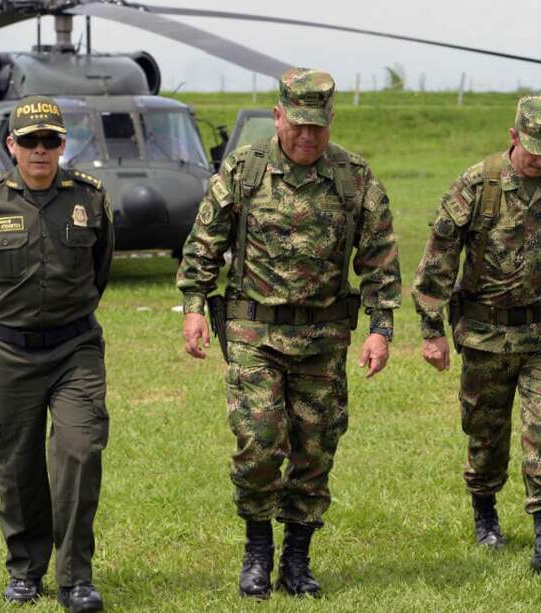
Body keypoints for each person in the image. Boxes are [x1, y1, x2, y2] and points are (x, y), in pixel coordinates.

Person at [177, 68, 401, 600]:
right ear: (278, 116)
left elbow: (380, 261)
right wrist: (193, 307)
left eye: (318, 128)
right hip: (255, 332)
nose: (307, 137)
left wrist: (381, 329)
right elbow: (203, 244)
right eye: (298, 125)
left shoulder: (354, 177)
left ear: (330, 122)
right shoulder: (245, 170)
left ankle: (297, 559)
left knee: (315, 450)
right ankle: (258, 550)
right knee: (258, 442)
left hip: (323, 338)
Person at [412, 96, 541, 587]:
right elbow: (437, 260)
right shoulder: (478, 185)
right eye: (534, 149)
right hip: (486, 335)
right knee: (485, 434)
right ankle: (485, 511)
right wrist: (432, 332)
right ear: (514, 136)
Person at [0, 96, 113, 610]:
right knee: (17, 464)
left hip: (75, 350)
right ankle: (25, 570)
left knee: (79, 452)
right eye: (29, 141)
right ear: (12, 146)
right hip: (10, 354)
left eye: (50, 140)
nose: (40, 150)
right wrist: (13, 321)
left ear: (63, 145)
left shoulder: (90, 200)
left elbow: (101, 268)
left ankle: (76, 580)